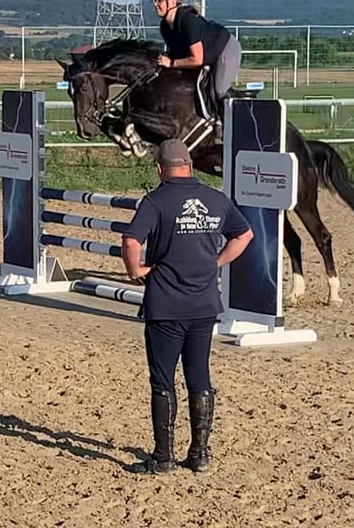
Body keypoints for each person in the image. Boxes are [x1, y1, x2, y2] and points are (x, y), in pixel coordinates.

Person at [121, 139, 254, 474]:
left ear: (159, 168)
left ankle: (163, 456)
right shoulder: (216, 199)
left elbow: (131, 239)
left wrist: (135, 270)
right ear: (190, 165)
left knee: (163, 380)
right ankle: (200, 453)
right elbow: (245, 235)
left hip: (166, 304)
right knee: (199, 378)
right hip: (204, 303)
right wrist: (216, 262)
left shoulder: (155, 201)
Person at [151, 0, 242, 140]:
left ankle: (224, 127)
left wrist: (171, 63)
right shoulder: (165, 26)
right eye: (155, 0)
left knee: (219, 89)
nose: (155, 4)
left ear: (173, 2)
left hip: (225, 50)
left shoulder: (188, 21)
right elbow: (176, 55)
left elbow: (196, 59)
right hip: (206, 56)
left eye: (159, 0)